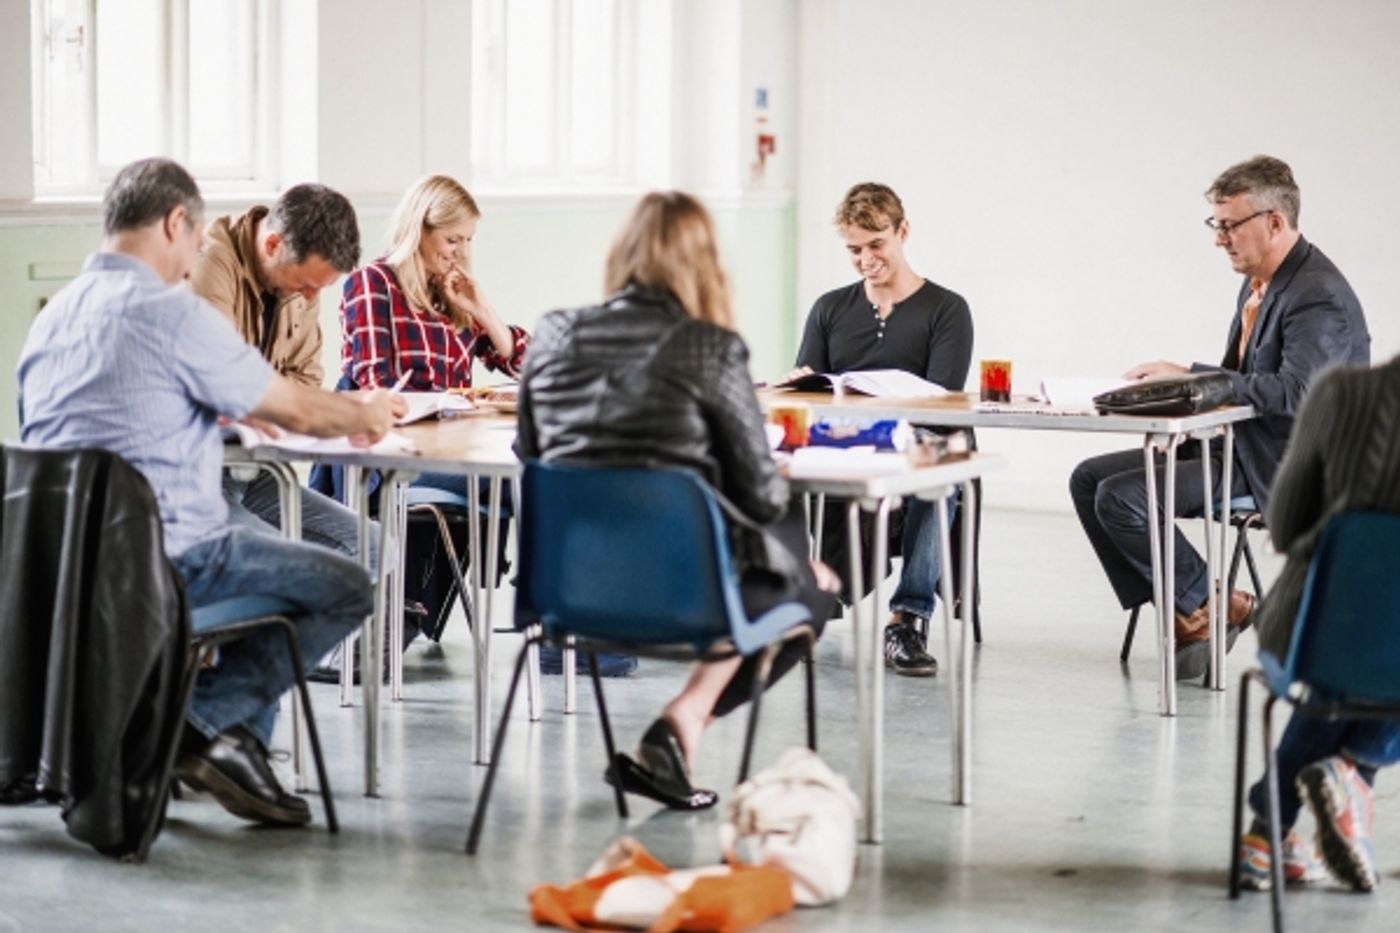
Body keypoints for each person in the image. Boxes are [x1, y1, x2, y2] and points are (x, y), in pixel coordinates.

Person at [17, 158, 404, 827]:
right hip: (168, 562)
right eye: (192, 244)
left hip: (65, 574)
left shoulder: (51, 320)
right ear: (174, 223)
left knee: (272, 546)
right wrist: (366, 413)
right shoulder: (171, 312)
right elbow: (298, 408)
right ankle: (193, 728)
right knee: (347, 582)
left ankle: (234, 750)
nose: (194, 261)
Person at [516, 190, 840, 809]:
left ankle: (677, 736)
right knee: (812, 585)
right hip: (687, 594)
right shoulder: (711, 348)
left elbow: (531, 454)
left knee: (786, 563)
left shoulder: (552, 334)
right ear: (704, 264)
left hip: (565, 591)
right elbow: (764, 495)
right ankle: (684, 719)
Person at [1069, 155, 1370, 680]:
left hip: (1281, 463)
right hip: (1240, 444)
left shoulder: (1315, 294)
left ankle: (1212, 605)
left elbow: (1299, 392)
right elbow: (1250, 377)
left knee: (1120, 498)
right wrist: (1184, 385)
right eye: (1217, 225)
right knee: (1088, 478)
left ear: (1275, 222)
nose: (1219, 239)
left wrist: (1195, 380)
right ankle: (1193, 613)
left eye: (1230, 225)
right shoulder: (1261, 283)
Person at [189, 185, 389, 680]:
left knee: (377, 547)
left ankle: (282, 673)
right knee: (293, 577)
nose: (310, 297)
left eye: (320, 288)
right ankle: (220, 708)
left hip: (257, 472)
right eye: (305, 285)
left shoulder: (301, 285)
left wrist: (269, 400)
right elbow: (224, 385)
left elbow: (304, 381)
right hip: (203, 482)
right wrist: (275, 401)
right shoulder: (209, 265)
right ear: (272, 245)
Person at [791, 182, 973, 677]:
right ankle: (810, 593)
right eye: (854, 250)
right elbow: (812, 388)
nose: (866, 259)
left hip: (924, 438)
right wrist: (801, 386)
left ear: (903, 232)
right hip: (850, 440)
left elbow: (944, 398)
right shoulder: (830, 308)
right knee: (781, 470)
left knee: (938, 482)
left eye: (876, 245)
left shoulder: (946, 309)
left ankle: (907, 619)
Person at [1234, 355, 1400, 892]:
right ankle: (1354, 770)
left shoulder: (1340, 392)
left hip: (1311, 630)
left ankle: (1267, 834)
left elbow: (1282, 527)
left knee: (1345, 659)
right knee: (1382, 665)